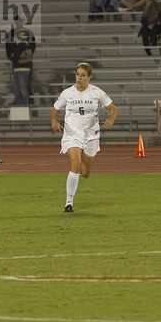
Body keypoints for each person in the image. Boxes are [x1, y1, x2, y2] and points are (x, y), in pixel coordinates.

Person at [50, 63, 118, 213]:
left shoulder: (97, 92)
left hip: (91, 136)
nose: (79, 78)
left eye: (83, 75)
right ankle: (69, 203)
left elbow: (113, 109)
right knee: (74, 164)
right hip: (71, 134)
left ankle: (84, 169)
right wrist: (54, 121)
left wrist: (111, 119)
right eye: (77, 74)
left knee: (85, 172)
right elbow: (55, 110)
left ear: (89, 77)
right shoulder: (67, 93)